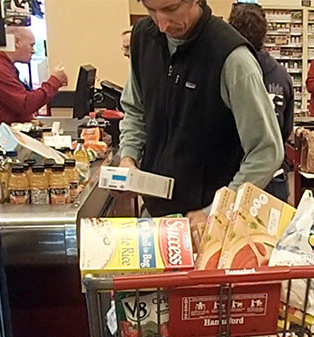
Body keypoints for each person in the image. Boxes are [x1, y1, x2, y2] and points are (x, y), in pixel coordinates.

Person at [119, 0, 283, 220]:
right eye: (151, 11)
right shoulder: (143, 38)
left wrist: (216, 211)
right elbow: (135, 110)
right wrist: (128, 157)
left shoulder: (232, 58)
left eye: (170, 9)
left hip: (210, 223)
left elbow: (266, 151)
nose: (161, 25)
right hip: (156, 214)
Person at [229, 3, 293, 201]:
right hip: (274, 178)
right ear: (264, 34)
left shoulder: (227, 70)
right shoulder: (281, 75)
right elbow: (285, 129)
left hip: (234, 177)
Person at [0, 26, 68, 132]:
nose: (33, 51)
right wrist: (55, 81)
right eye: (31, 45)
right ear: (16, 42)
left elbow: (13, 104)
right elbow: (26, 104)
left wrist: (27, 120)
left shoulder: (1, 65)